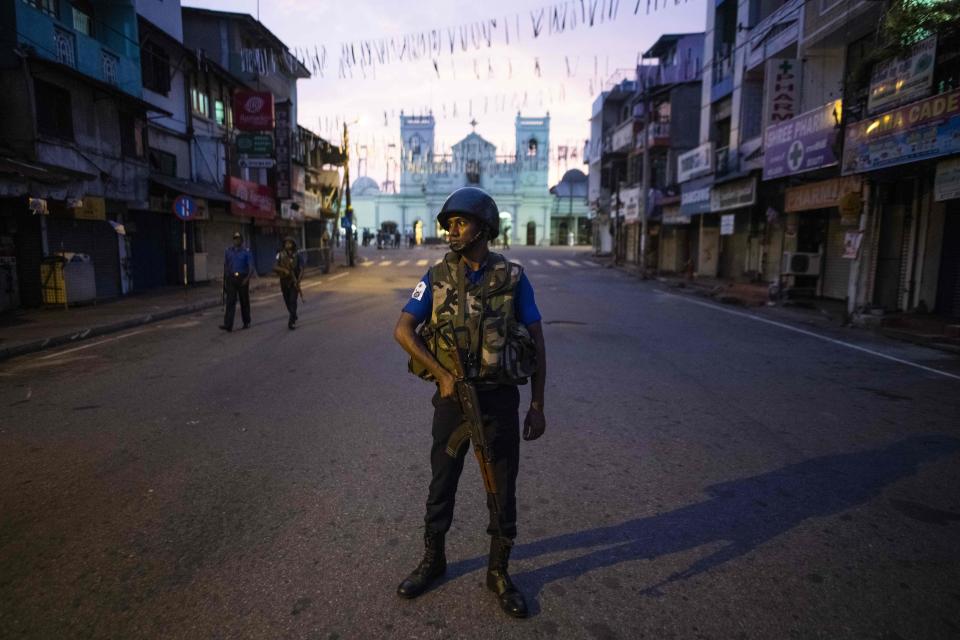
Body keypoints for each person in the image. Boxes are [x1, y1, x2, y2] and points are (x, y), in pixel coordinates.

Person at [393, 186, 547, 618]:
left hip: (498, 401)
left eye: (460, 223)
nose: (451, 231)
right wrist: (441, 374)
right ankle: (433, 559)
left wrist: (537, 404)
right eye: (449, 224)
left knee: (501, 488)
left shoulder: (513, 278)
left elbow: (536, 340)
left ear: (484, 227)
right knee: (441, 483)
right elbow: (403, 330)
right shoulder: (436, 277)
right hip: (452, 400)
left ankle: (499, 571)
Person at [220, 231, 254, 332]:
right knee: (230, 301)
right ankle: (228, 324)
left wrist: (247, 279)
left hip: (243, 278)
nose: (236, 240)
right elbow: (226, 265)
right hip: (231, 279)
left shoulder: (246, 252)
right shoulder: (228, 251)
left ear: (242, 241)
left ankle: (246, 321)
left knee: (244, 301)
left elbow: (251, 267)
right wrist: (226, 279)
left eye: (238, 239)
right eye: (235, 238)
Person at [273, 236, 303, 330]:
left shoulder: (297, 255)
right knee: (287, 301)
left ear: (293, 244)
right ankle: (293, 314)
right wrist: (284, 270)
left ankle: (291, 322)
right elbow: (274, 267)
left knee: (293, 300)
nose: (288, 245)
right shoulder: (279, 254)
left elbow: (302, 269)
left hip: (294, 281)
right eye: (286, 243)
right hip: (284, 280)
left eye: (290, 243)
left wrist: (298, 280)